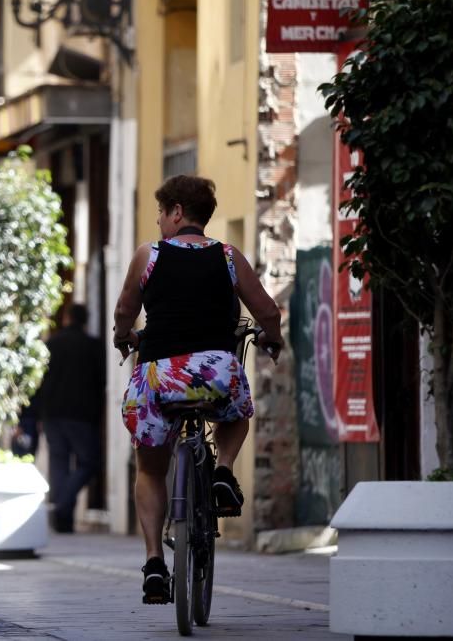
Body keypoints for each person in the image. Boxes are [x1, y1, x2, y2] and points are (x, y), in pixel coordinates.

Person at [112, 175, 283, 603]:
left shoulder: (147, 256)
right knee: (236, 413)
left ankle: (154, 564)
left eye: (160, 213)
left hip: (158, 376)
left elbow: (124, 310)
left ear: (176, 213)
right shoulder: (228, 256)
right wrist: (271, 338)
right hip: (214, 370)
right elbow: (266, 310)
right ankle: (223, 470)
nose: (158, 223)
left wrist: (123, 336)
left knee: (150, 468)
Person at [38, 303, 105, 533]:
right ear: (85, 319)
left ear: (66, 318)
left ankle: (62, 514)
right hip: (81, 414)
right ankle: (63, 509)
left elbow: (41, 381)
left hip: (53, 413)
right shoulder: (92, 346)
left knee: (59, 464)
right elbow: (100, 382)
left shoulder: (51, 344)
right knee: (89, 463)